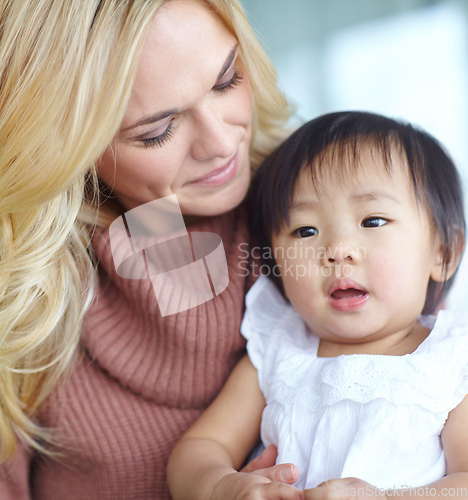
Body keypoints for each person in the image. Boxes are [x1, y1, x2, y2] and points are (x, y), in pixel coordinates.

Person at [0, 0, 297, 498]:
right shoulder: (19, 298)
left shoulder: (321, 201)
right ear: (63, 148)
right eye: (156, 131)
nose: (220, 142)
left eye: (227, 79)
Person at [167, 111, 468, 499]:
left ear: (443, 253)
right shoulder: (279, 351)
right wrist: (224, 485)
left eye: (373, 221)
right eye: (305, 230)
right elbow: (200, 448)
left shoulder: (449, 363)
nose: (337, 250)